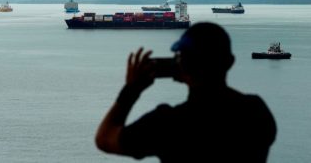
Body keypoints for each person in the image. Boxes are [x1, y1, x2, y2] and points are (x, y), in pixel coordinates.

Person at [95, 22, 277, 163]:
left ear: (181, 66)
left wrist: (131, 90)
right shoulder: (256, 111)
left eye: (179, 57)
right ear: (230, 62)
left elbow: (104, 139)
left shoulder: (167, 123)